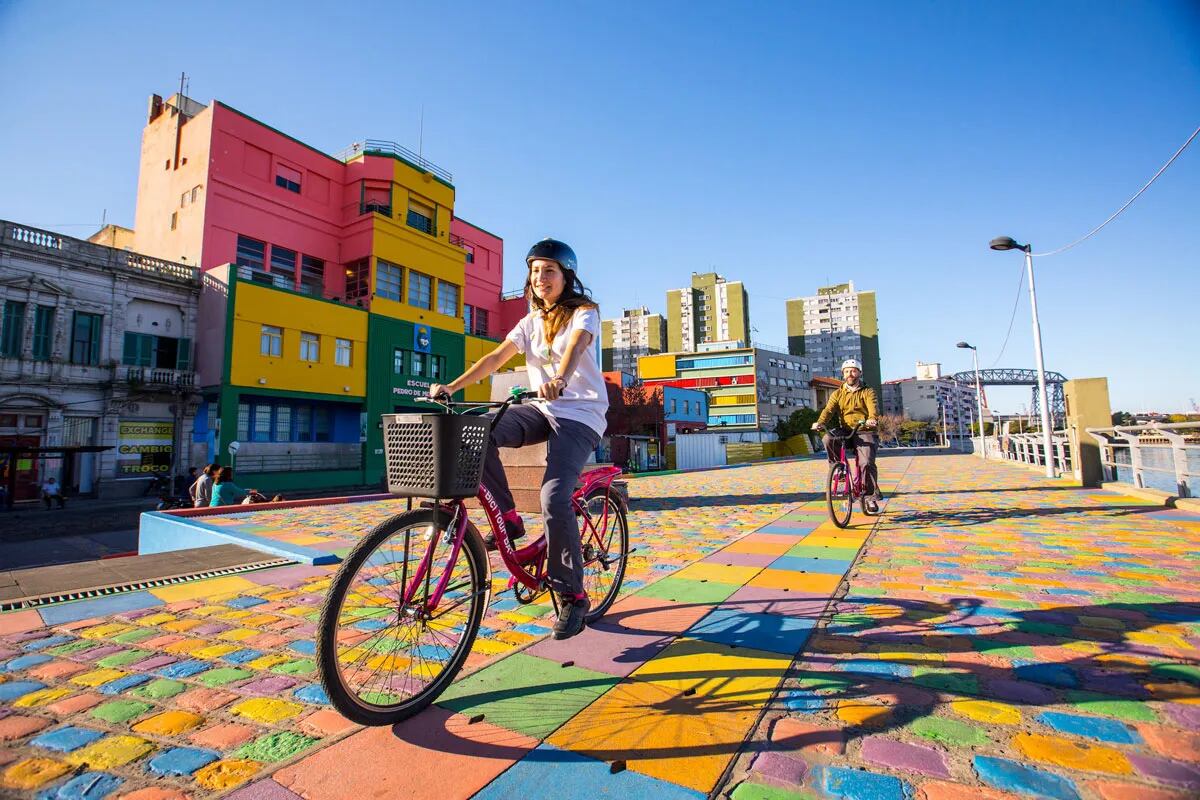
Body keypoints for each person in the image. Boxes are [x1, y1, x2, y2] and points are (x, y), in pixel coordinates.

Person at [429, 237, 608, 641]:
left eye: (549, 270)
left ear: (566, 277)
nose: (540, 277)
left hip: (580, 414)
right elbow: (494, 359)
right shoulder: (529, 322)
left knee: (553, 497)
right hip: (542, 409)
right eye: (534, 270)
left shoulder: (584, 312)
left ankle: (573, 594)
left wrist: (560, 378)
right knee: (476, 432)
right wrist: (452, 387)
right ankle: (508, 519)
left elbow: (578, 345)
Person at [813, 359, 882, 511]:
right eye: (846, 371)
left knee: (867, 463)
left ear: (859, 373)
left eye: (853, 371)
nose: (850, 374)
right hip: (845, 430)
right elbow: (828, 410)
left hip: (864, 430)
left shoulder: (867, 391)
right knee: (828, 437)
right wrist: (820, 422)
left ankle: (870, 497)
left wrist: (872, 419)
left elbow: (873, 407)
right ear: (843, 374)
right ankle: (838, 468)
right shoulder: (838, 393)